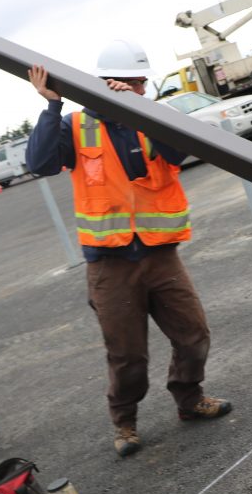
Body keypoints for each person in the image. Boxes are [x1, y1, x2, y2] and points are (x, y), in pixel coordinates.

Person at [25, 39, 232, 458]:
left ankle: (190, 400)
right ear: (109, 82)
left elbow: (183, 144)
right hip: (111, 264)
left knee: (194, 336)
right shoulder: (75, 126)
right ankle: (125, 422)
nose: (139, 90)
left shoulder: (148, 117)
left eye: (142, 84)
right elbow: (40, 162)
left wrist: (149, 109)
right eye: (134, 83)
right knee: (127, 355)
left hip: (160, 254)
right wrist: (50, 106)